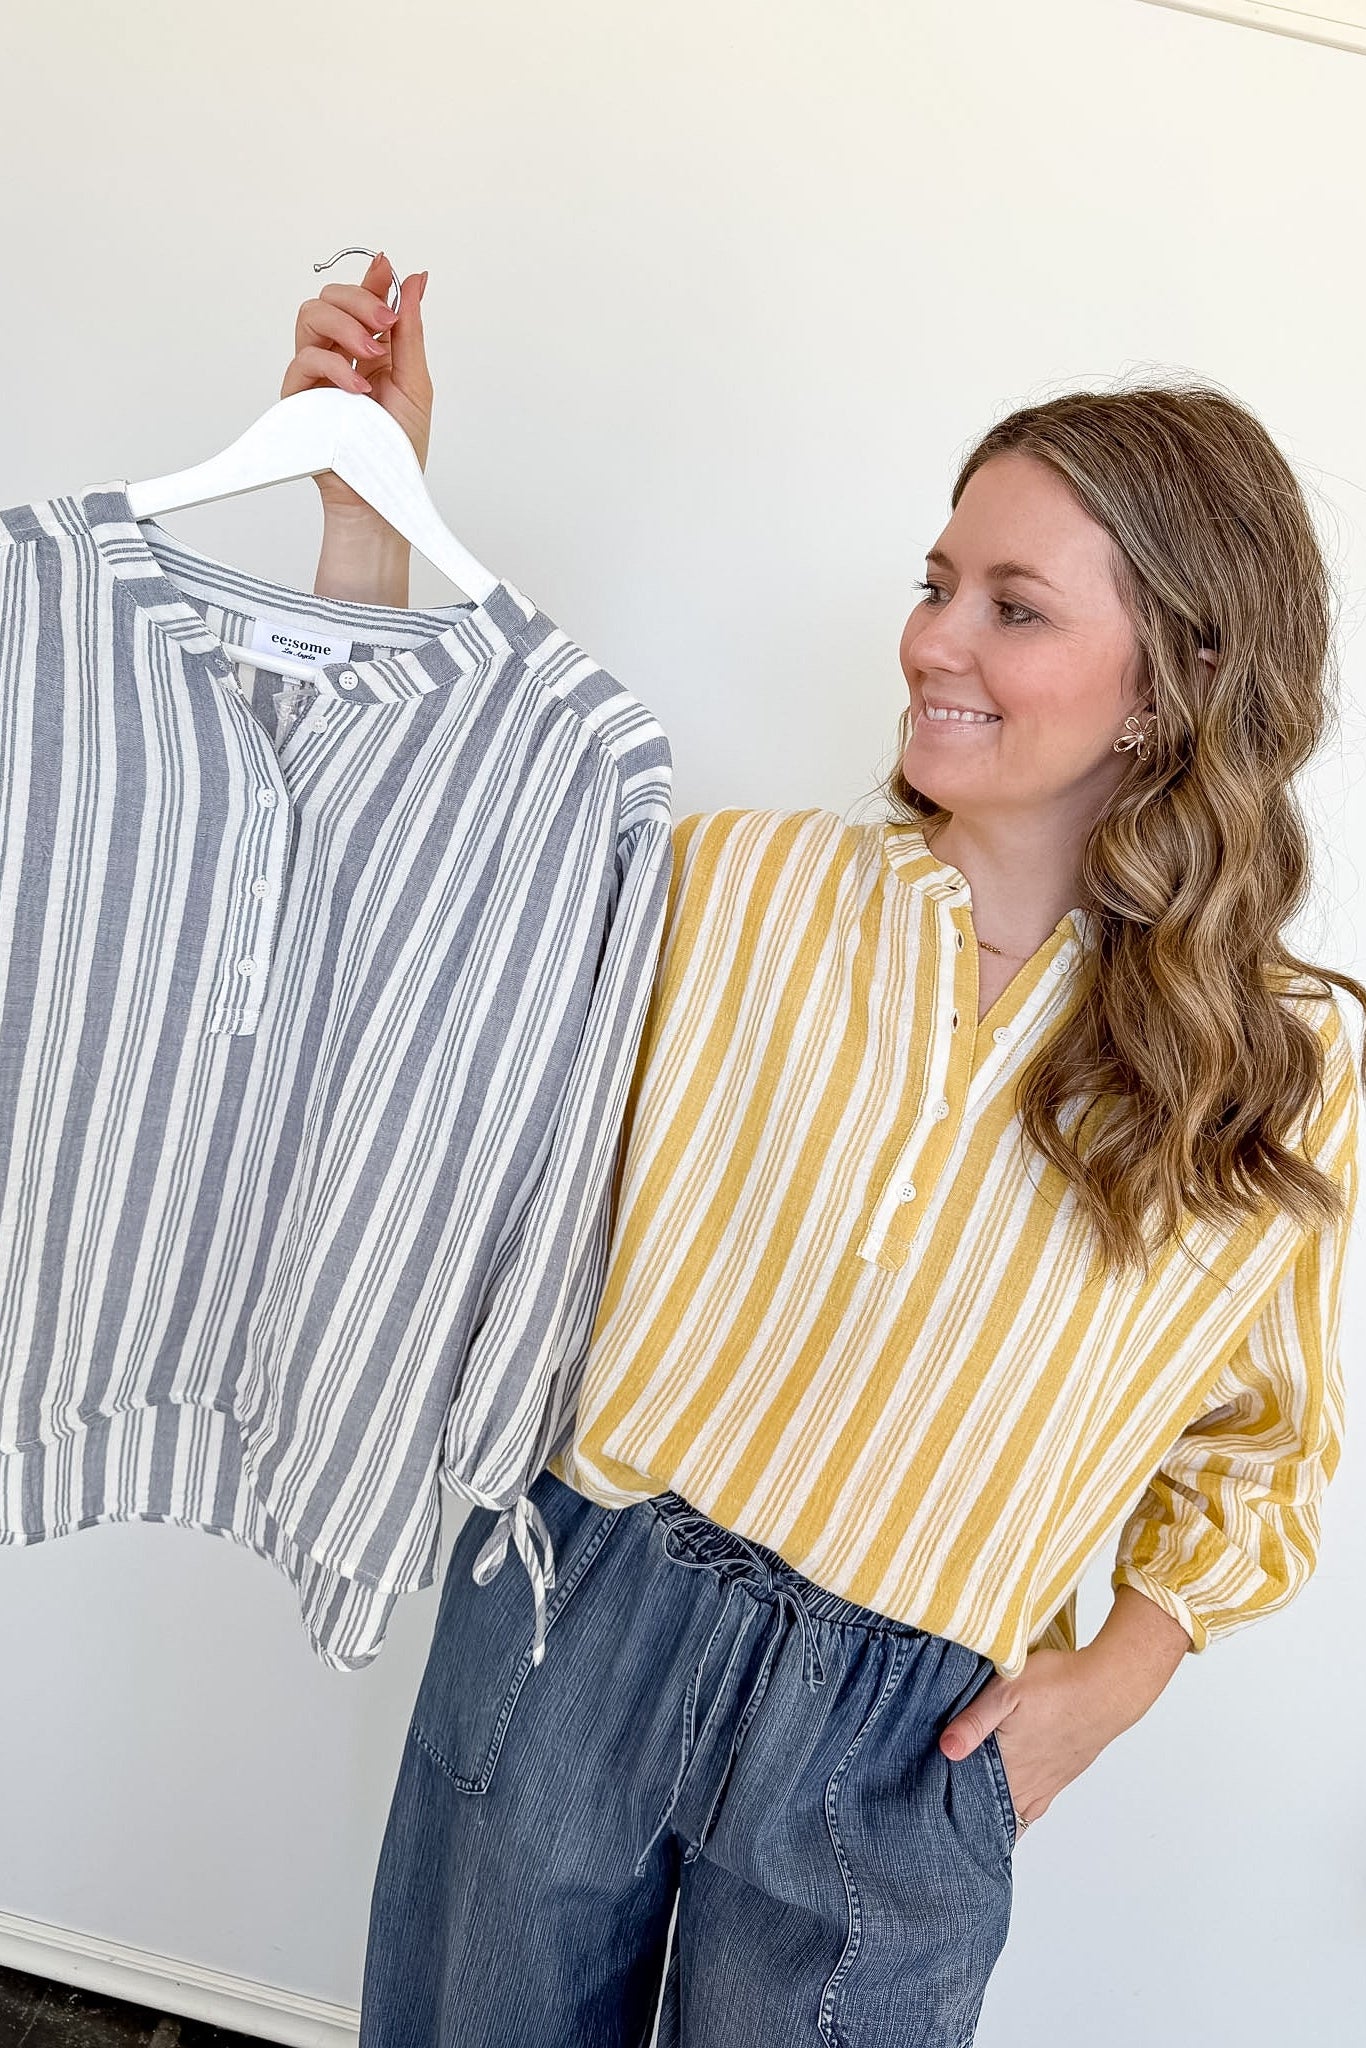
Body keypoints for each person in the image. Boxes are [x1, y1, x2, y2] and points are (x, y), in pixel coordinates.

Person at [283, 253, 1365, 2046]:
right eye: (937, 582)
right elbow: (402, 923)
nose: (933, 637)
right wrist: (368, 512)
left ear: (1174, 678)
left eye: (1014, 605)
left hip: (901, 1735)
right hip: (583, 1606)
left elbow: (1263, 1446)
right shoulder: (739, 887)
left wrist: (1114, 1677)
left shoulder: (1282, 1064)